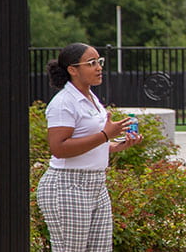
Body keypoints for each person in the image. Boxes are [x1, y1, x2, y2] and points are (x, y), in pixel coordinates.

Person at [38, 42, 144, 251]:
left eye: (99, 62)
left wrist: (117, 145)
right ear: (73, 70)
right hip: (68, 186)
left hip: (96, 184)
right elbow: (59, 148)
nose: (99, 67)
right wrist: (106, 135)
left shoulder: (91, 98)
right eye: (91, 63)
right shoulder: (63, 103)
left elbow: (92, 144)